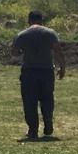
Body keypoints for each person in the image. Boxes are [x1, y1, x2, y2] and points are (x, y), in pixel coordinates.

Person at [11, 10, 66, 141]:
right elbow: (58, 51)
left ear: (29, 21)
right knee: (47, 98)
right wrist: (62, 67)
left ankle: (33, 130)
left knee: (30, 102)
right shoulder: (50, 33)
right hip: (46, 71)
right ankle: (48, 123)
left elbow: (14, 53)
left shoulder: (22, 34)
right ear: (42, 20)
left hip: (29, 72)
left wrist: (24, 50)